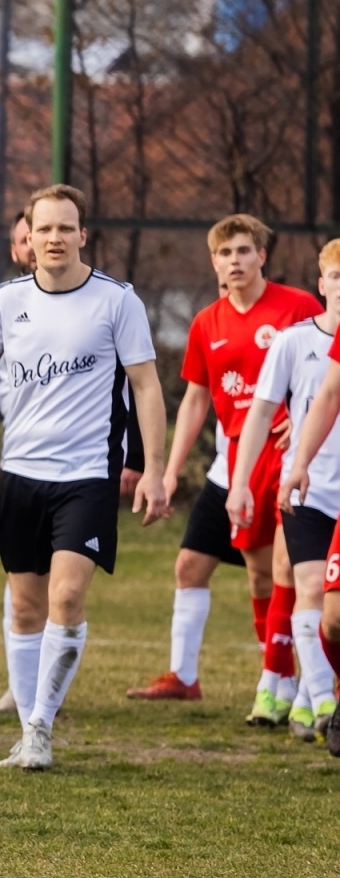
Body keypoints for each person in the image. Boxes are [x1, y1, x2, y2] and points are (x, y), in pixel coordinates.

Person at [0, 183, 168, 771]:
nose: (54, 238)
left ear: (82, 236)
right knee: (24, 610)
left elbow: (146, 386)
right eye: (44, 228)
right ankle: (26, 727)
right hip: (21, 476)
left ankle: (42, 727)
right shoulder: (1, 303)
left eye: (65, 228)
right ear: (29, 236)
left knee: (66, 596)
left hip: (88, 476)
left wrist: (154, 469)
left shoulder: (118, 301)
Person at [127, 216, 320, 722]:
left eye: (243, 251)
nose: (234, 261)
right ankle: (186, 677)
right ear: (213, 262)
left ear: (262, 256)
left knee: (274, 574)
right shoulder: (207, 322)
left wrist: (301, 419)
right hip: (230, 463)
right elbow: (195, 400)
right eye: (225, 253)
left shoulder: (298, 307)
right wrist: (167, 471)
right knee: (192, 565)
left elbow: (326, 366)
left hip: (284, 463)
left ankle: (284, 681)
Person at [229, 240, 340, 741]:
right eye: (336, 277)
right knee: (311, 590)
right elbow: (260, 412)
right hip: (313, 491)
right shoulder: (294, 342)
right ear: (321, 285)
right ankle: (321, 703)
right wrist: (241, 482)